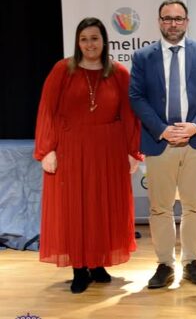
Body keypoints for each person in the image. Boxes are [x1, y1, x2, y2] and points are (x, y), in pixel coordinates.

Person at [34, 17, 141, 293]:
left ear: (104, 41)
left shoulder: (118, 73)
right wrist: (47, 149)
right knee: (75, 207)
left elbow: (129, 114)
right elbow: (47, 109)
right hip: (71, 150)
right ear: (77, 42)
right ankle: (79, 268)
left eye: (94, 38)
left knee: (101, 206)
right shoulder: (62, 70)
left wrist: (133, 151)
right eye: (84, 39)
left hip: (108, 151)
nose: (89, 44)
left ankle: (98, 262)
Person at [129, 0, 196, 289]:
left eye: (178, 18)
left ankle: (191, 261)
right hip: (160, 142)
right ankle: (164, 264)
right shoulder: (143, 57)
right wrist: (162, 129)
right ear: (159, 22)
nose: (173, 23)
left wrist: (194, 126)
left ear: (187, 21)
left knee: (194, 206)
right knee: (160, 208)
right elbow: (136, 97)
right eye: (167, 18)